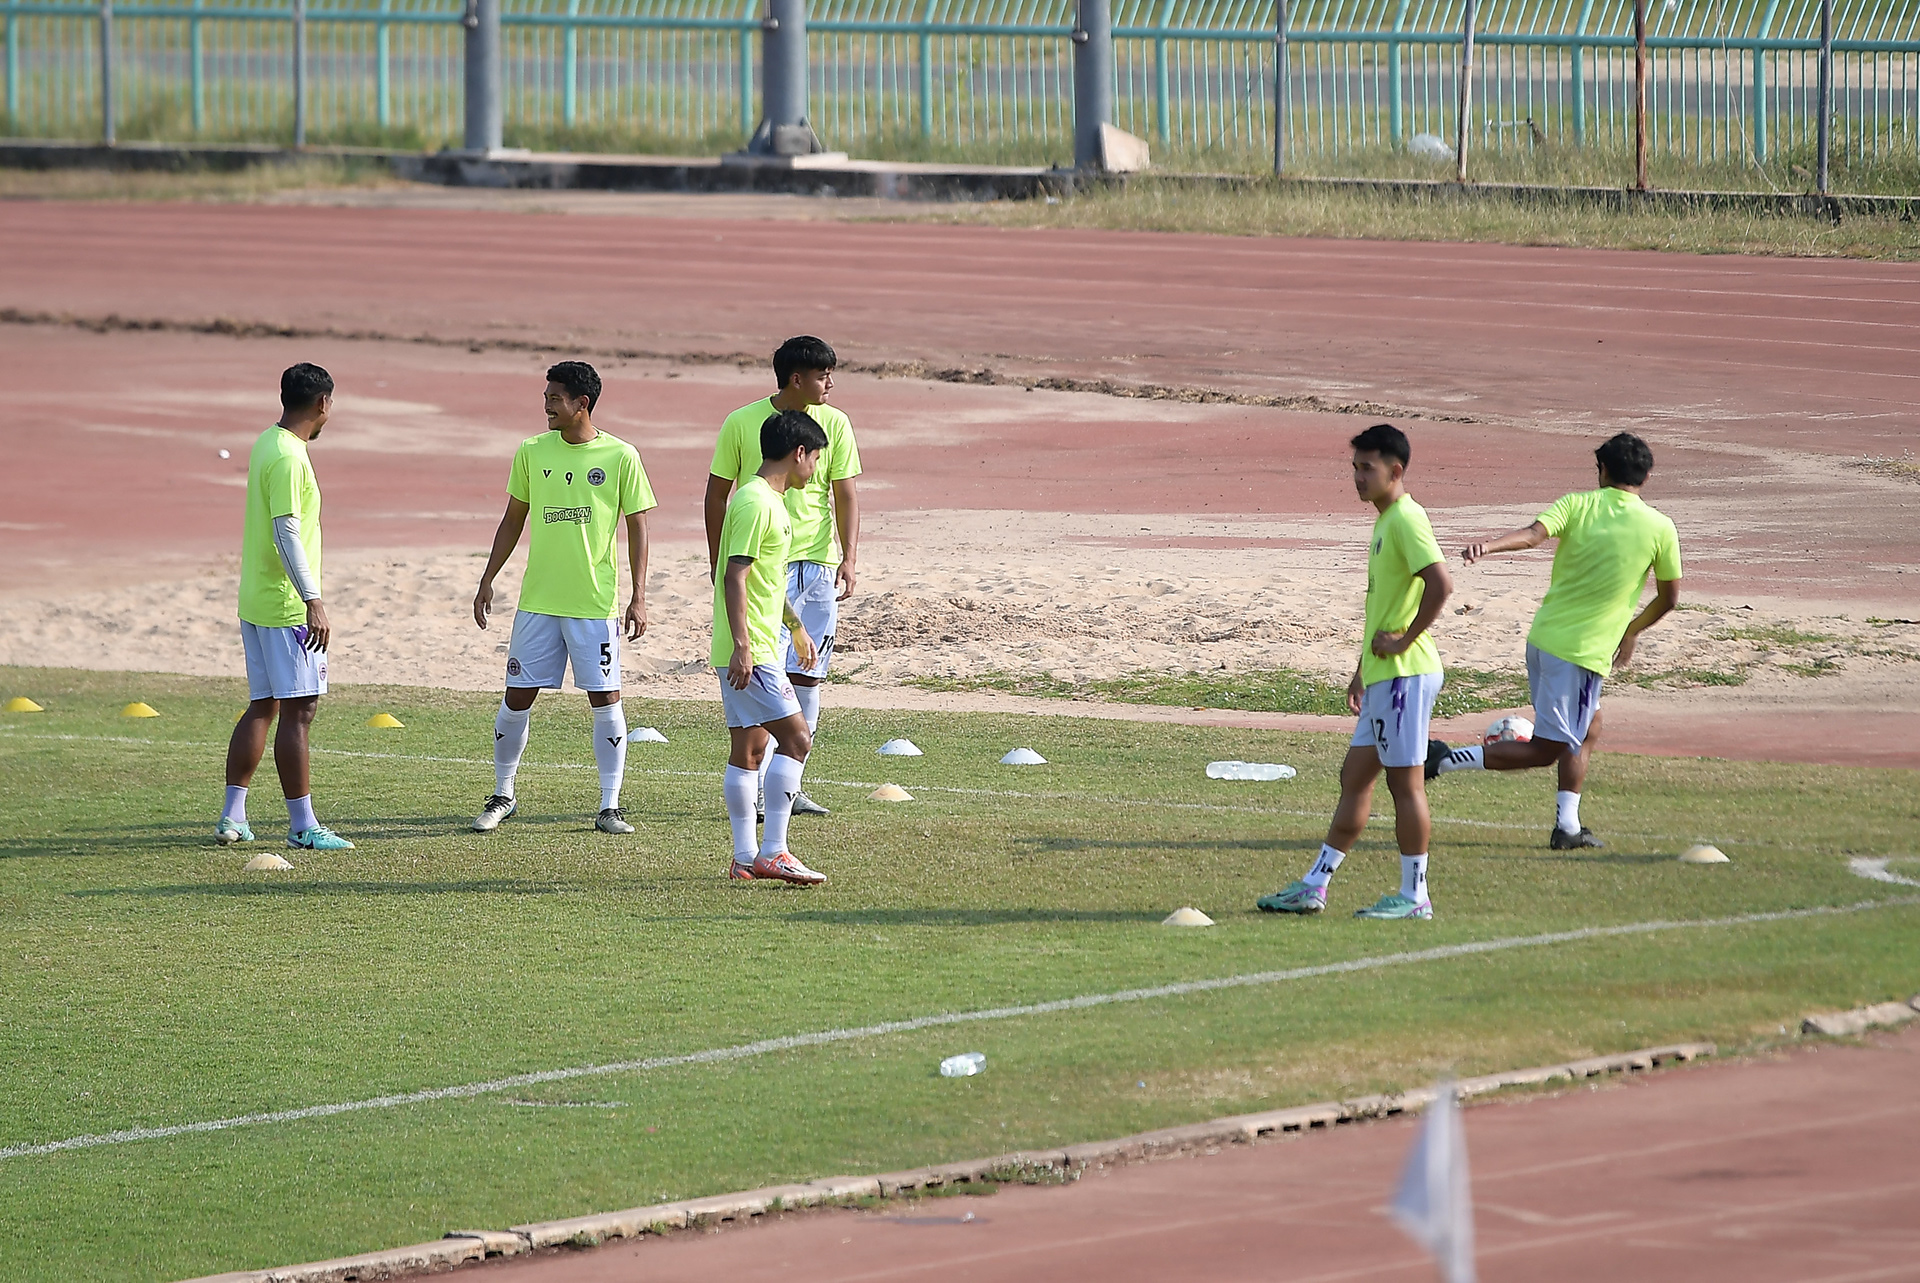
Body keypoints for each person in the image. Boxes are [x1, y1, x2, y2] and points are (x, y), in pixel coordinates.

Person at [1428, 432, 1681, 850]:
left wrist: (1487, 547)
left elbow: (1532, 535)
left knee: (1589, 726)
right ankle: (1444, 760)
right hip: (1579, 655)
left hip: (1544, 641)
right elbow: (1669, 598)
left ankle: (1567, 826)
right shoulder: (1661, 527)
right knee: (1548, 749)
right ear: (1647, 476)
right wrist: (1632, 630)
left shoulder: (1577, 504)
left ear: (1602, 470)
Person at [1259, 423, 1451, 920]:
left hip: (1406, 675)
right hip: (1385, 676)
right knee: (1355, 776)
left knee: (1405, 785)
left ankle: (1415, 897)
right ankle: (1314, 885)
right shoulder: (1385, 521)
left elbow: (1441, 584)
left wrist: (1404, 642)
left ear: (1396, 470)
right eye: (1355, 468)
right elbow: (1385, 608)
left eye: (1367, 468)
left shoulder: (1406, 518)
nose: (1358, 477)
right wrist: (1362, 671)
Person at [471, 361, 655, 835]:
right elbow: (513, 518)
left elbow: (638, 526)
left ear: (581, 403)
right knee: (517, 696)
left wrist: (638, 596)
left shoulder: (621, 455)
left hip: (593, 603)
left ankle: (609, 806)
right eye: (546, 397)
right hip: (538, 602)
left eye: (555, 398)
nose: (546, 405)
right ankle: (503, 794)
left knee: (605, 698)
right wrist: (488, 577)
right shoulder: (532, 451)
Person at [705, 335, 861, 822]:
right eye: (823, 376)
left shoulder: (836, 423)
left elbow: (845, 493)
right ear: (797, 378)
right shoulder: (742, 423)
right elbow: (715, 495)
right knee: (762, 671)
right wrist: (720, 561)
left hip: (815, 566)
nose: (830, 385)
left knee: (807, 674)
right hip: (762, 566)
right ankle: (762, 795)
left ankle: (790, 786)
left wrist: (848, 557)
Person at [218, 362, 354, 854]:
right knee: (300, 709)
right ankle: (303, 826)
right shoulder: (291, 457)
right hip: (284, 605)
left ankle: (233, 817)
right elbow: (286, 531)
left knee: (265, 704)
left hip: (256, 600)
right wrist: (312, 600)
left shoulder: (266, 442)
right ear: (322, 403)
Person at [714, 410, 830, 886]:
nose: (816, 469)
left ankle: (744, 858)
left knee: (749, 747)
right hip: (753, 650)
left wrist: (796, 627)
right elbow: (734, 575)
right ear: (798, 453)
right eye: (815, 458)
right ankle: (774, 851)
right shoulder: (756, 502)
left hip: (753, 643)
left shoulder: (770, 502)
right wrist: (744, 645)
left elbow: (765, 581)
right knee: (797, 739)